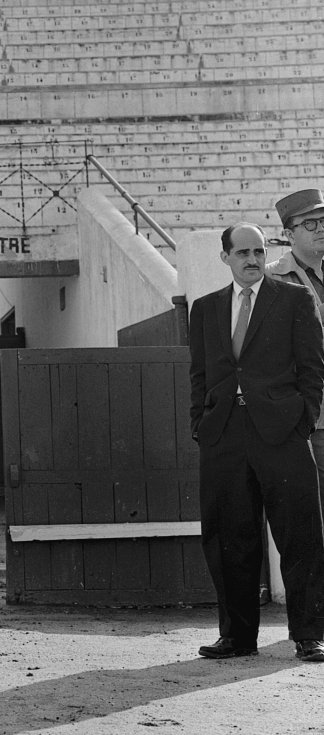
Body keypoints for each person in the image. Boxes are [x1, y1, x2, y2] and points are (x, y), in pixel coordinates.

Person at [189, 222, 324, 662]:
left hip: (282, 433)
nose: (252, 260)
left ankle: (308, 634)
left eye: (259, 252)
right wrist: (201, 424)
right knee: (229, 536)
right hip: (225, 434)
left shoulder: (294, 299)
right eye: (242, 252)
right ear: (224, 257)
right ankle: (238, 637)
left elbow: (312, 369)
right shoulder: (206, 309)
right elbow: (200, 374)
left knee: (301, 534)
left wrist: (302, 420)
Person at [266, 188, 324, 503]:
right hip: (310, 418)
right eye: (310, 224)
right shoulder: (272, 280)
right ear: (289, 234)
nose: (321, 228)